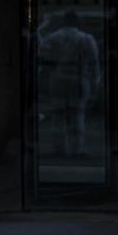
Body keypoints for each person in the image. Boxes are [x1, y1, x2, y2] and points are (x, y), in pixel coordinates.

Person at [39, 10, 101, 157]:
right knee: (77, 114)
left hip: (58, 79)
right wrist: (95, 81)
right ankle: (77, 148)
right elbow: (94, 62)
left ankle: (59, 148)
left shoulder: (53, 37)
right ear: (77, 22)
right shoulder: (86, 39)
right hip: (79, 80)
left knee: (58, 115)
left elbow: (42, 55)